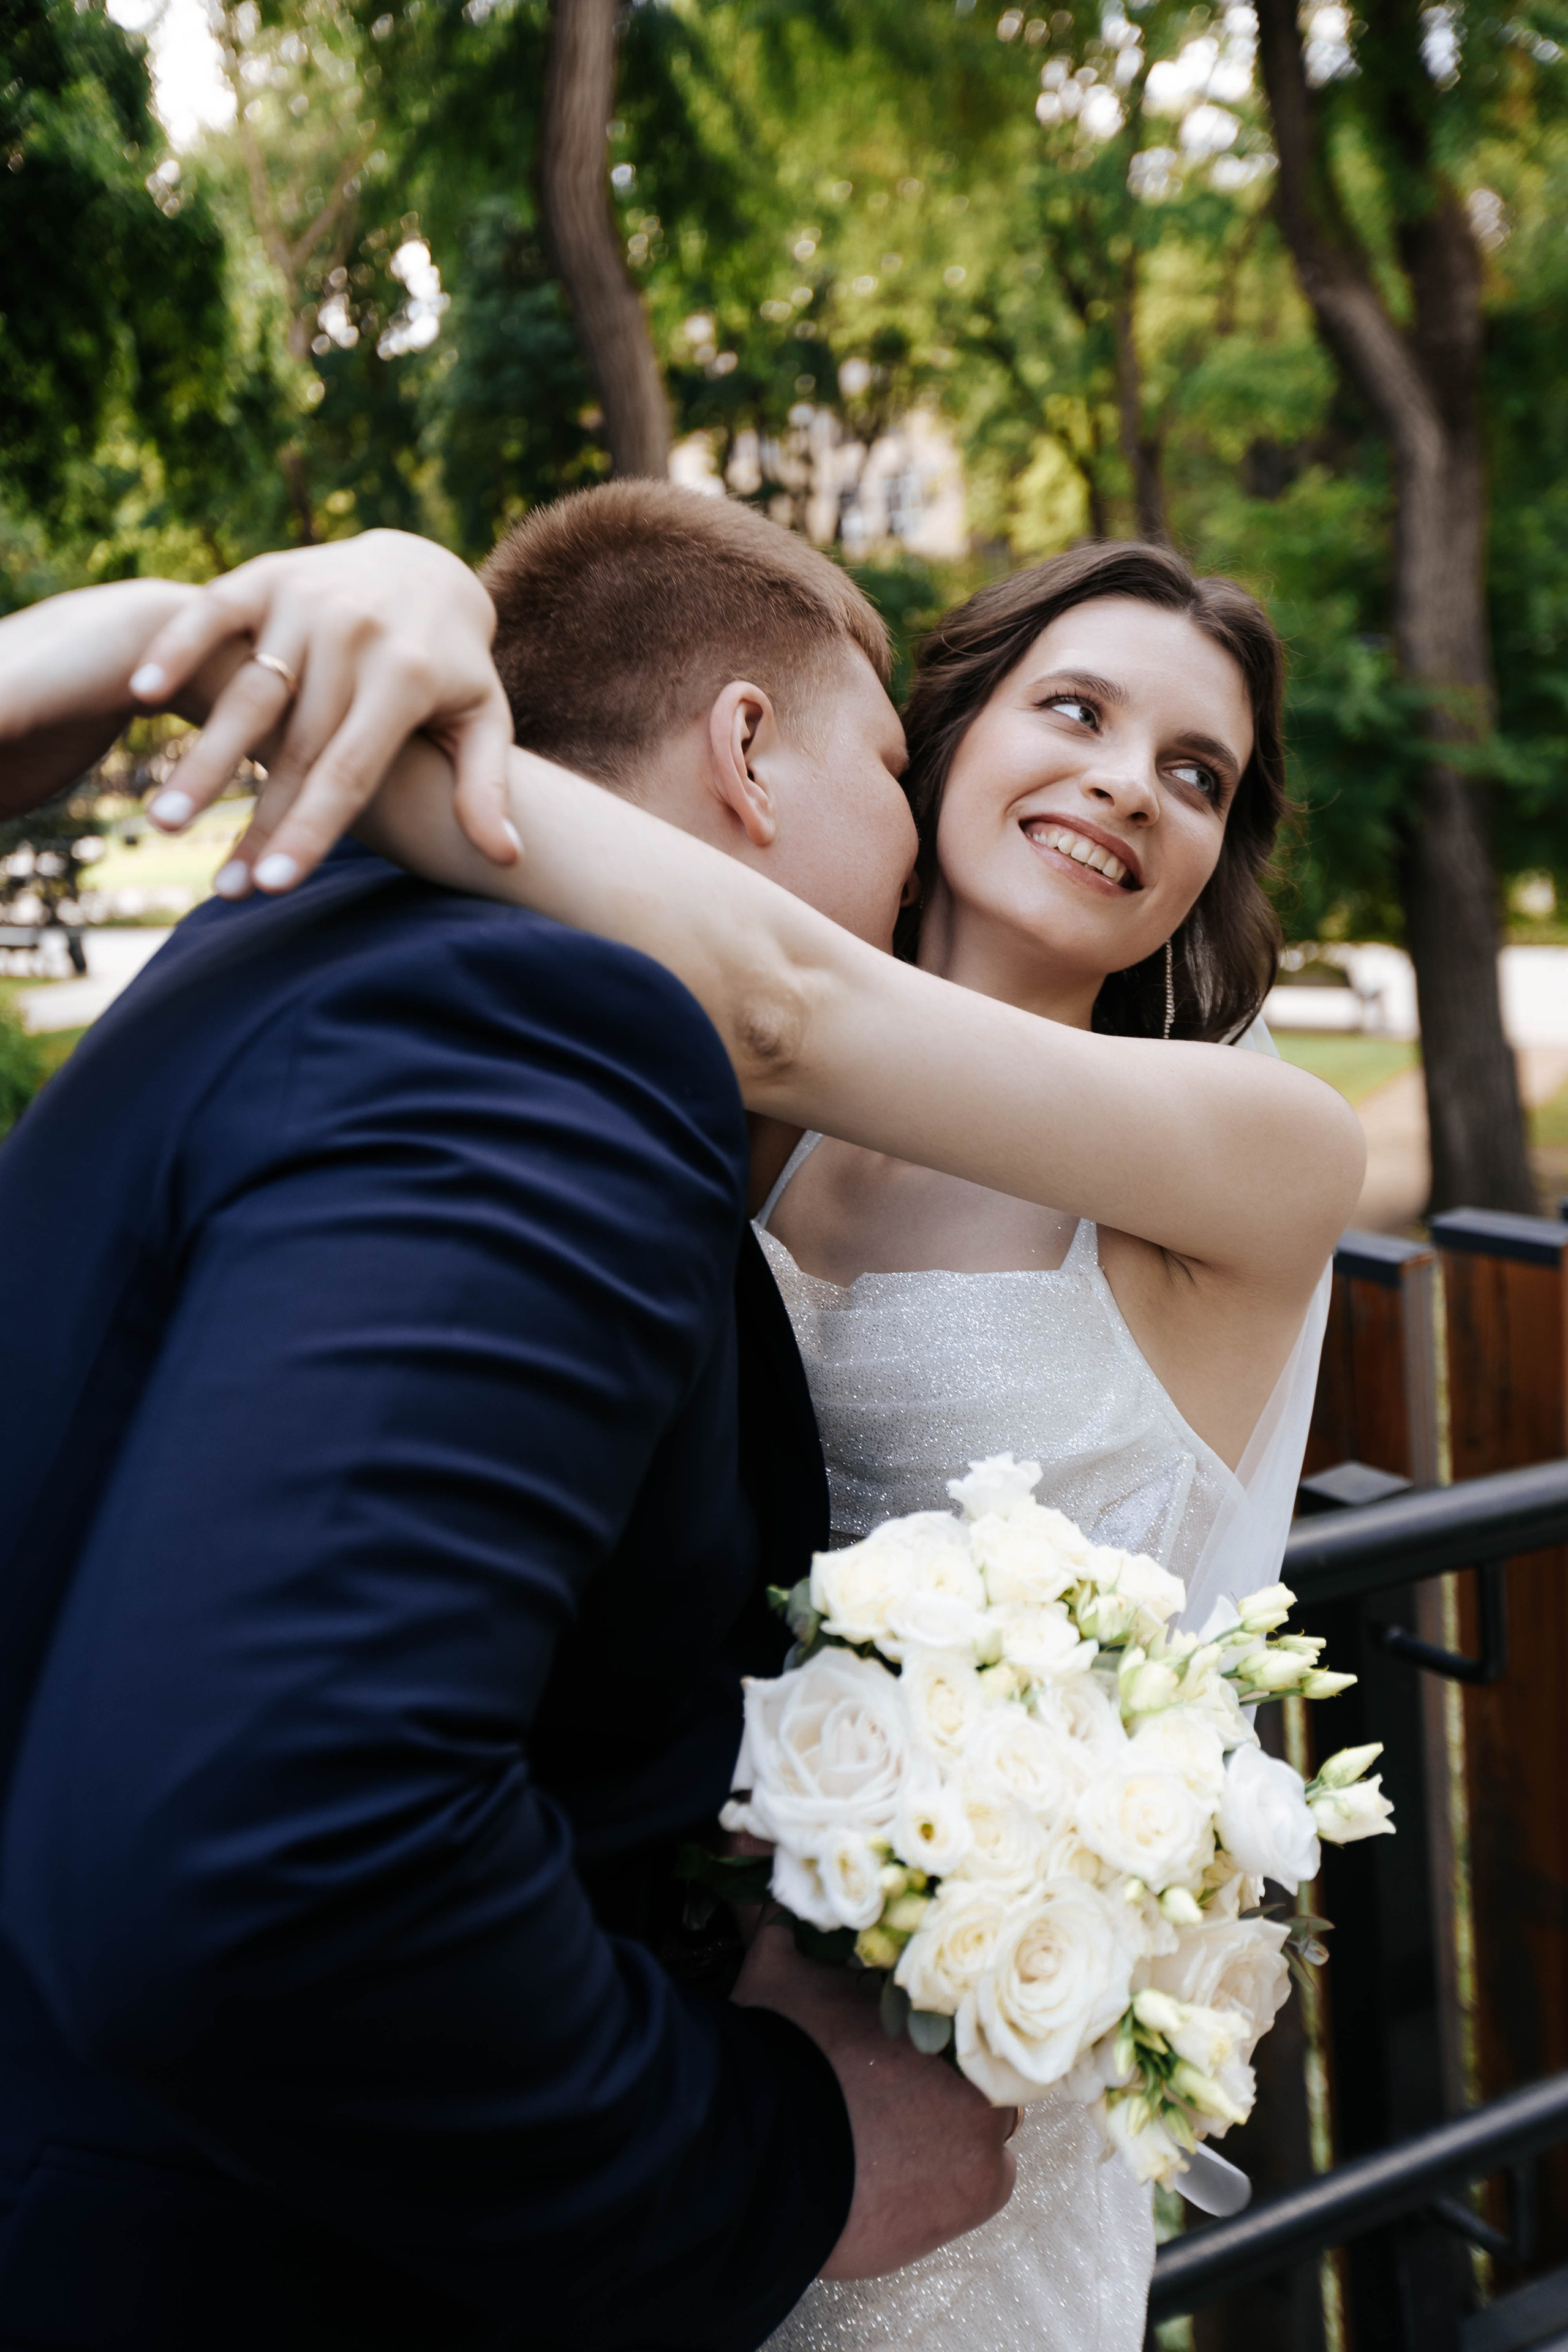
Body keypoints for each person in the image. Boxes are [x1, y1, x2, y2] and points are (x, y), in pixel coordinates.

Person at [0, 509, 1018, 2351]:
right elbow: (270, 1855)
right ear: (745, 753)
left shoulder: (284, 953)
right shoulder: (556, 1024)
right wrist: (782, 2153)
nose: (912, 884)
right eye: (891, 769)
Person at [349, 521, 1364, 2352]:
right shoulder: (756, 1136)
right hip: (663, 2052)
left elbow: (788, 999)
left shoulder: (1261, 1156)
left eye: (1197, 774)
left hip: (963, 2081)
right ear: (948, 741)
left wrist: (378, 700)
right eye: (1077, 710)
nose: (1130, 785)